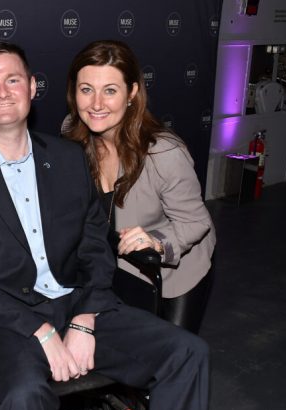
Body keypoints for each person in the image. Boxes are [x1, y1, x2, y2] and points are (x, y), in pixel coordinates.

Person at [0, 40, 209, 410]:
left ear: (33, 88)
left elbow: (95, 245)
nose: (2, 92)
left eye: (13, 80)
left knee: (187, 353)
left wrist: (85, 316)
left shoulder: (70, 157)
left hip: (79, 303)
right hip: (5, 320)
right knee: (25, 398)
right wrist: (39, 329)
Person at [62, 40, 216, 334]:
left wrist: (157, 242)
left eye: (110, 90)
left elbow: (197, 221)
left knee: (170, 360)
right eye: (86, 90)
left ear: (131, 93)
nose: (96, 104)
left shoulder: (163, 154)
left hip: (175, 276)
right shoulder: (72, 133)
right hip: (115, 268)